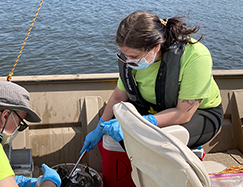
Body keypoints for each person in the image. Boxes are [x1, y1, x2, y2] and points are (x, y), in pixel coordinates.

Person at [81, 10, 223, 155]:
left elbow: (183, 113)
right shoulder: (129, 59)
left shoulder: (195, 56)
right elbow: (118, 97)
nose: (129, 60)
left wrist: (139, 124)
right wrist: (99, 127)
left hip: (197, 115)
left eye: (134, 56)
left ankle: (188, 154)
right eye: (125, 55)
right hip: (151, 109)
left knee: (156, 140)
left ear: (156, 47)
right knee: (128, 135)